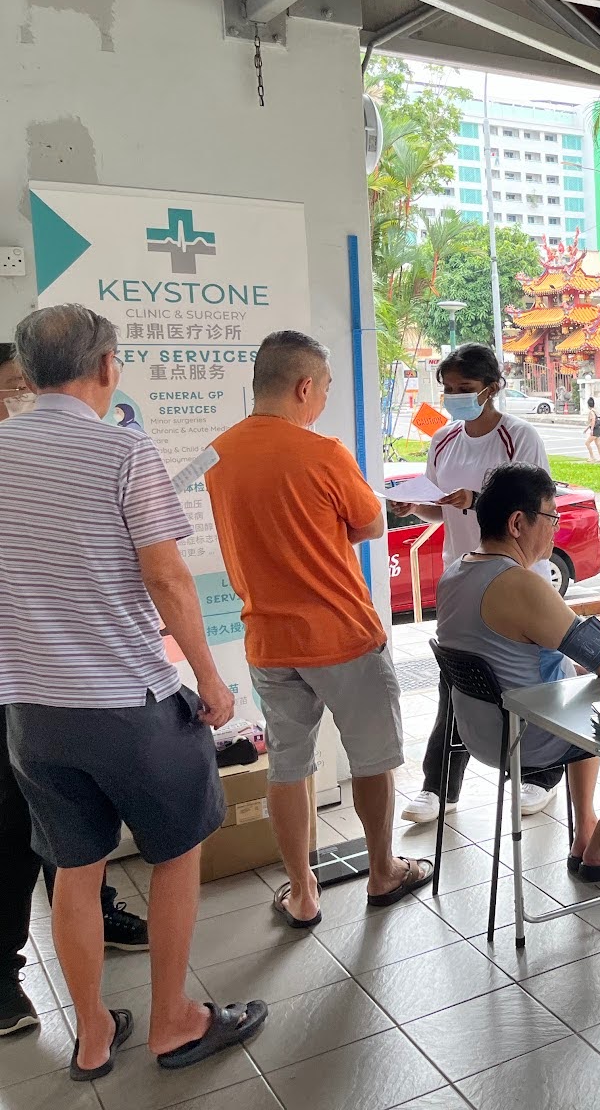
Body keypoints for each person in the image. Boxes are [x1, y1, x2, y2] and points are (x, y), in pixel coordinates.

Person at [0, 306, 267, 1078]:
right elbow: (167, 576)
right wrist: (210, 678)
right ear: (107, 367)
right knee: (176, 851)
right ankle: (173, 1022)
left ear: (29, 372)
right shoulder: (123, 450)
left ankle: (91, 1034)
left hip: (32, 715)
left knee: (75, 869)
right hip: (127, 702)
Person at [205, 330, 432, 931]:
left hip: (268, 640)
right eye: (325, 389)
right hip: (343, 634)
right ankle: (383, 871)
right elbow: (371, 523)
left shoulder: (218, 455)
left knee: (287, 765)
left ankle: (303, 893)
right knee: (373, 759)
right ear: (304, 387)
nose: (325, 400)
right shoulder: (323, 452)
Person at [0, 343, 150, 1038]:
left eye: (25, 388)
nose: (21, 402)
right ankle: (2, 974)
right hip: (12, 680)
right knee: (11, 825)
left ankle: (97, 916)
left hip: (68, 677)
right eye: (10, 390)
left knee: (79, 819)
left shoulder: (77, 458)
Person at [435, 463, 600, 879]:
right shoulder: (518, 584)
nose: (556, 529)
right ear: (517, 523)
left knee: (580, 683)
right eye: (551, 517)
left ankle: (586, 831)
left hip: (478, 732)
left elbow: (523, 655)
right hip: (529, 737)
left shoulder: (455, 573)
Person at [390, 344, 555, 826]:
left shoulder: (518, 438)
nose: (454, 397)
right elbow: (441, 508)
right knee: (459, 683)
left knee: (530, 682)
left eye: (465, 389)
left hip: (516, 577)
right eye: (448, 389)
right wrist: (415, 506)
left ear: (492, 388)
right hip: (464, 573)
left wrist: (477, 499)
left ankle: (542, 775)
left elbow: (534, 508)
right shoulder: (443, 440)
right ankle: (439, 787)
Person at [584, 396, 600, 462]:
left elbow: (593, 420)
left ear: (588, 405)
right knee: (598, 444)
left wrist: (591, 430)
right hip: (598, 429)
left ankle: (592, 457)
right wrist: (587, 429)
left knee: (587, 443)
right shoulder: (595, 411)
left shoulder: (591, 412)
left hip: (595, 430)